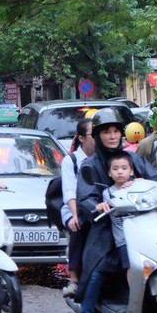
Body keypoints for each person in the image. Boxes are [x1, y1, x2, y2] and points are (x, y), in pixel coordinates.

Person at [75, 108, 157, 313]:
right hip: (108, 226)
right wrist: (97, 206)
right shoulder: (90, 165)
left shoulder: (133, 159)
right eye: (106, 131)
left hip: (143, 223)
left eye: (116, 131)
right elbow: (85, 197)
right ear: (98, 135)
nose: (112, 136)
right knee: (97, 269)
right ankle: (87, 311)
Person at [83, 151, 138, 311]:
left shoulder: (138, 186)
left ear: (131, 171)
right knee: (131, 267)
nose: (120, 172)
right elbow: (108, 203)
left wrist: (139, 183)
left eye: (124, 168)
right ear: (109, 173)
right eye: (115, 169)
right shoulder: (108, 192)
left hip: (141, 236)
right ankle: (135, 299)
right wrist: (100, 206)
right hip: (123, 240)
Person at [61, 118, 95, 298]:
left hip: (97, 206)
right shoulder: (71, 161)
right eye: (94, 134)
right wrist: (75, 215)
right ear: (81, 138)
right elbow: (69, 192)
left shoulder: (106, 157)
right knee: (78, 226)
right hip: (74, 208)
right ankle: (74, 279)